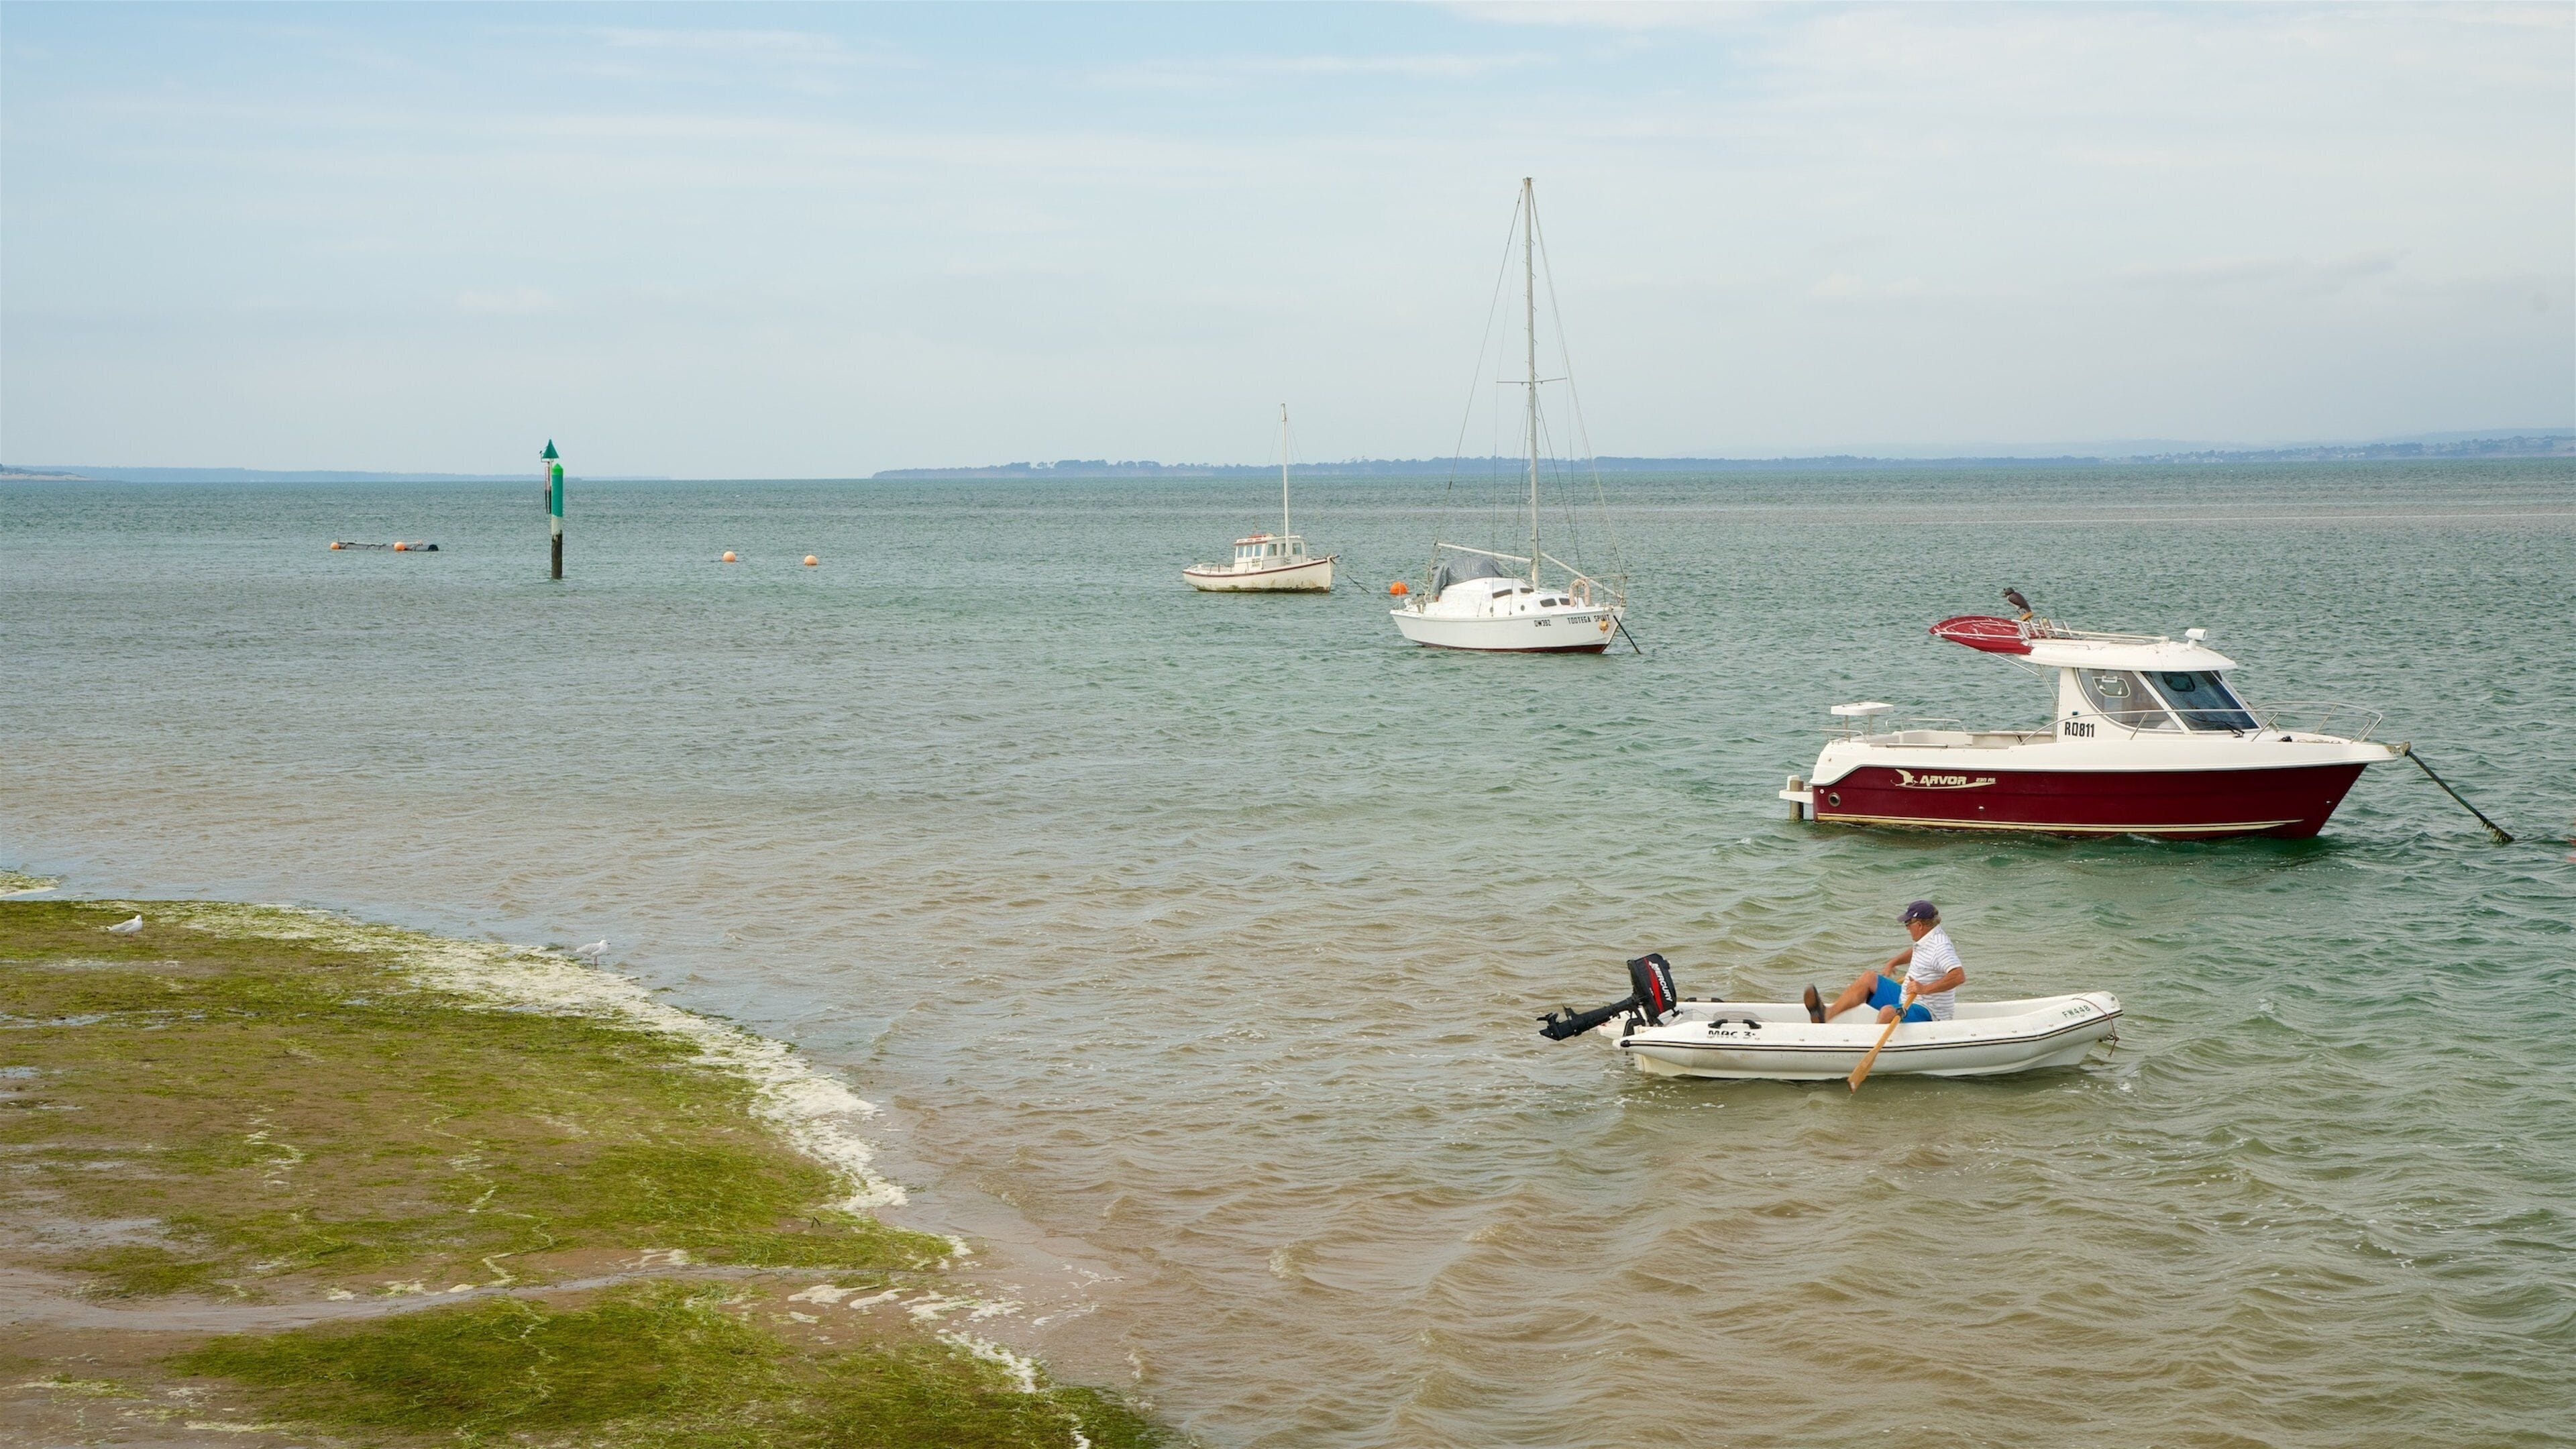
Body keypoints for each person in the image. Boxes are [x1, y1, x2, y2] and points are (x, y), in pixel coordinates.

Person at [1805, 900, 1966, 1026]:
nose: (1907, 928)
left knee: (1888, 1012)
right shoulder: (1927, 938)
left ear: (1920, 925)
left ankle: (1874, 1048)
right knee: (1869, 978)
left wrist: (1924, 989)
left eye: (1908, 924)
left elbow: (1958, 976)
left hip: (1929, 1013)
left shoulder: (1940, 946)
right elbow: (1917, 951)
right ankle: (1826, 1015)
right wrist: (1894, 962)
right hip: (1908, 998)